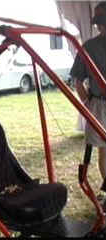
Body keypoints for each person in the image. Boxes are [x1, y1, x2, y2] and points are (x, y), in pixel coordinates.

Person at [70, 2, 106, 208]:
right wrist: (87, 103)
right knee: (104, 150)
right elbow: (77, 79)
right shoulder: (89, 47)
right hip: (99, 104)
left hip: (98, 104)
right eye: (99, 22)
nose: (101, 27)